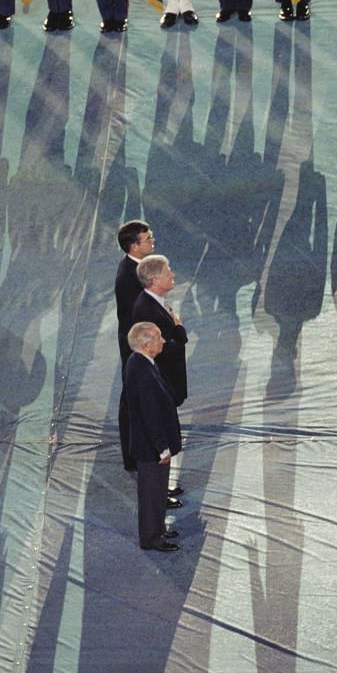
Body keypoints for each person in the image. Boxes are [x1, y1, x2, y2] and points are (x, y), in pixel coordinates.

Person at [132, 253, 188, 502]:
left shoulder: (156, 302)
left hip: (165, 381)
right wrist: (179, 330)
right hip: (161, 382)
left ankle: (161, 489)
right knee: (160, 436)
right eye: (168, 272)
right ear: (155, 279)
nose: (172, 275)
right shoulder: (147, 309)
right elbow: (168, 347)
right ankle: (158, 494)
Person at [124, 322, 182, 552]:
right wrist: (162, 448)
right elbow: (150, 414)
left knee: (157, 491)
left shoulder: (142, 363)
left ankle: (157, 529)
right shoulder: (142, 371)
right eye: (159, 338)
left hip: (151, 444)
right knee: (151, 494)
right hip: (151, 447)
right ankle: (151, 538)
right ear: (146, 344)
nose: (164, 341)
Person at [115, 220, 156, 471]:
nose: (152, 241)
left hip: (138, 342)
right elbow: (136, 316)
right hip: (136, 344)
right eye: (148, 238)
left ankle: (135, 453)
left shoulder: (137, 269)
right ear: (133, 246)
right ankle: (135, 455)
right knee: (133, 399)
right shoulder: (129, 275)